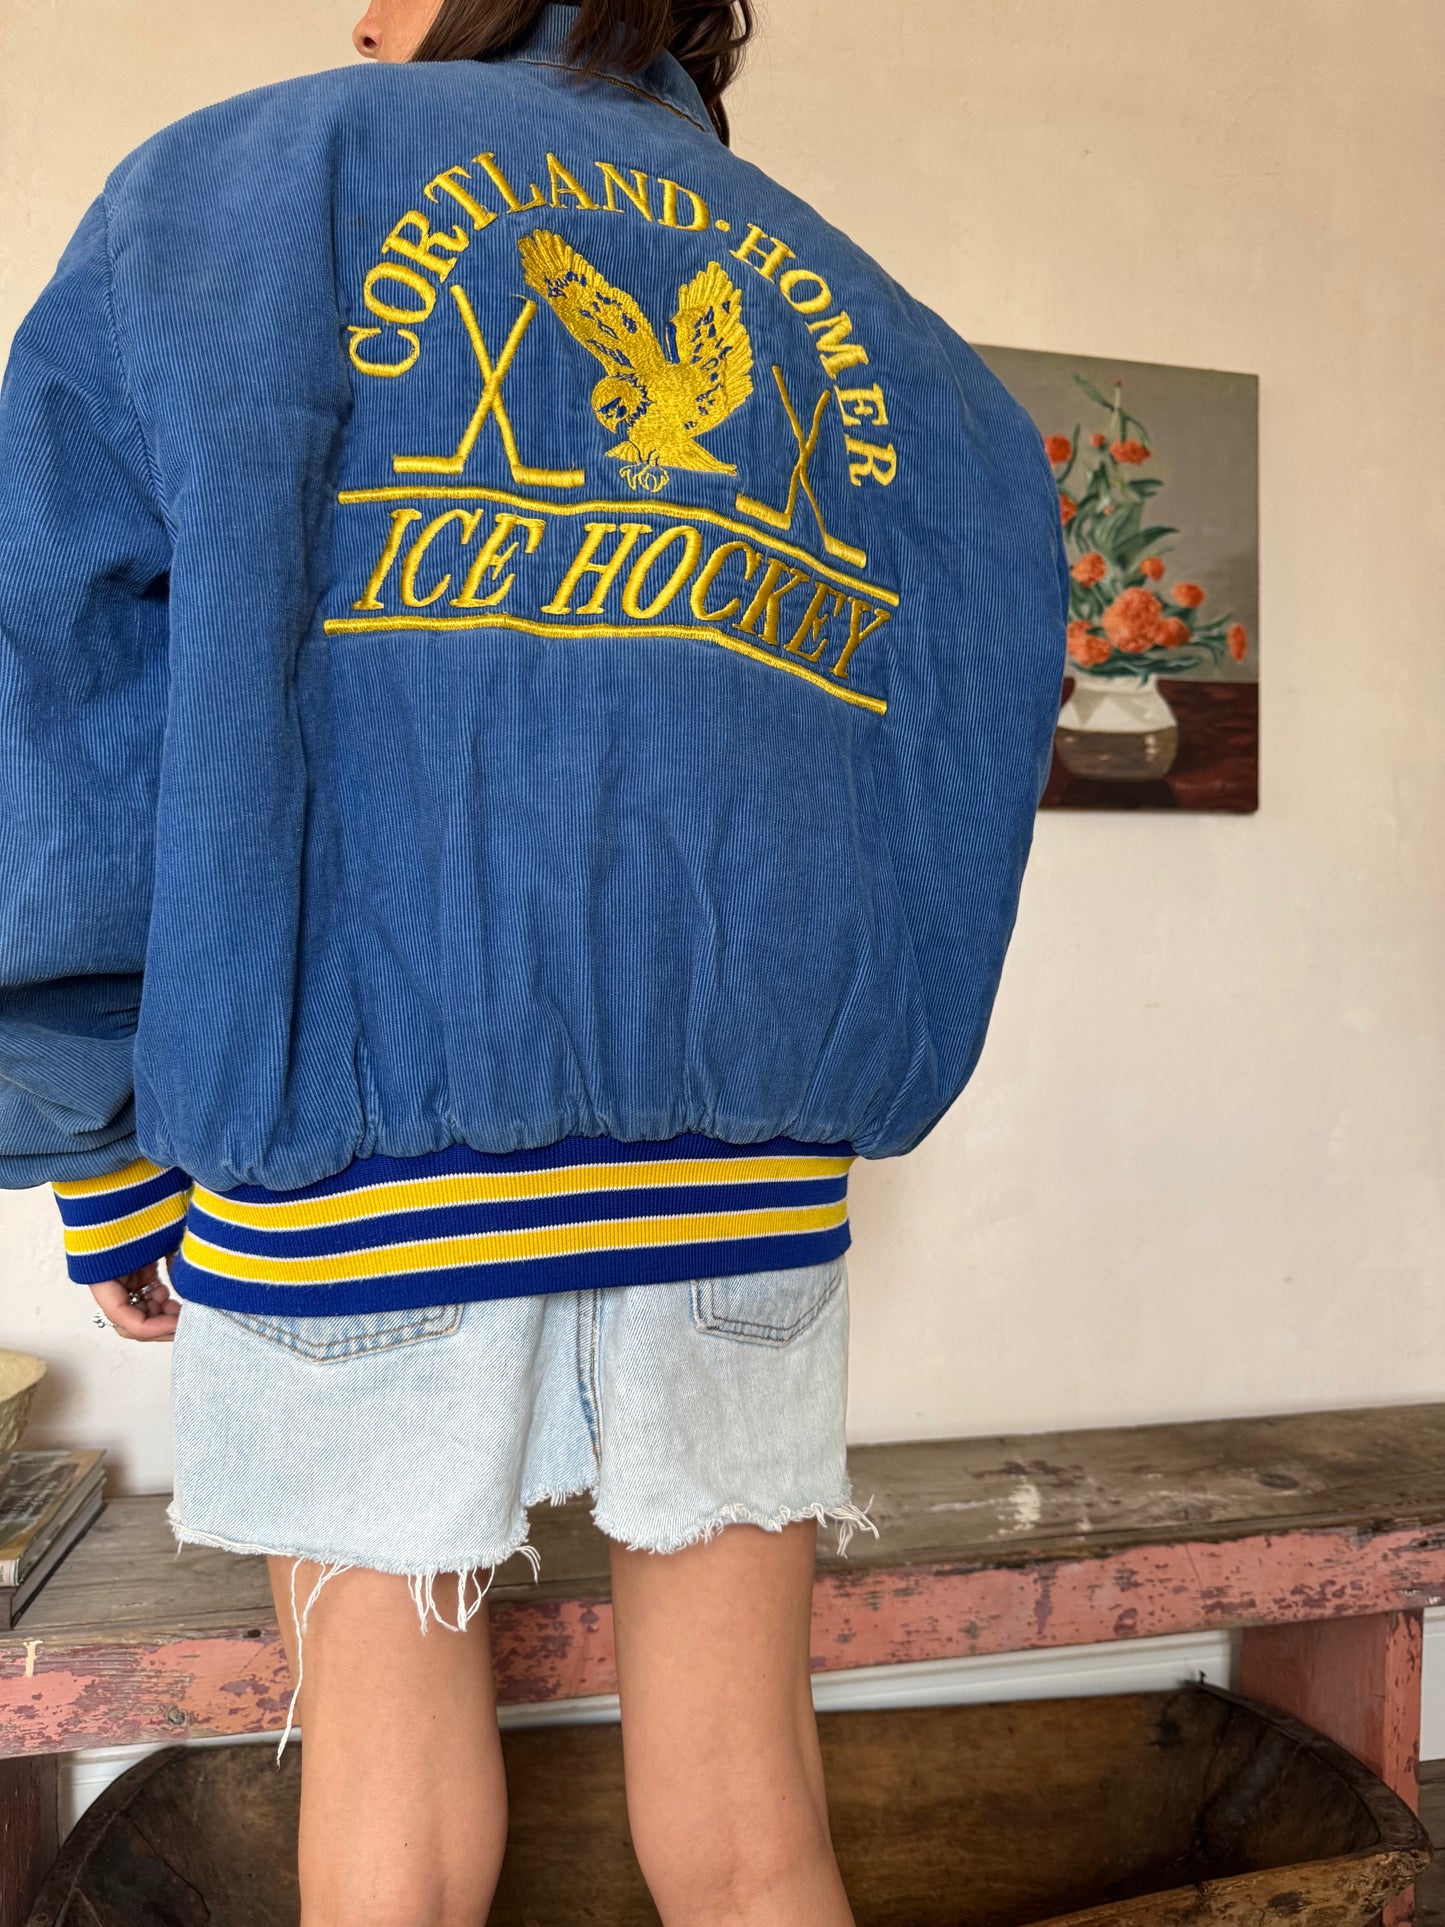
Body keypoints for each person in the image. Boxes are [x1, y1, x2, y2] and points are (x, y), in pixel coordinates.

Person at [0, 0, 1067, 1919]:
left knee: (388, 1837)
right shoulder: (889, 336)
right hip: (742, 1182)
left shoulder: (253, 189)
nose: (358, 16)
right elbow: (954, 753)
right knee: (752, 1833)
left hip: (351, 1142)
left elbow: (70, 702)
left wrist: (101, 1136)